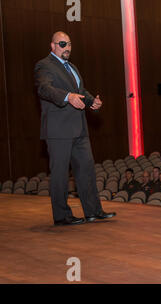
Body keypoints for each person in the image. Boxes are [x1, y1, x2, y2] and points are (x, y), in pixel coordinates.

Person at [34, 31, 115, 225]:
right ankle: (62, 216)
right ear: (52, 46)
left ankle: (94, 211)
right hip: (58, 130)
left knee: (87, 170)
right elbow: (44, 88)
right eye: (62, 44)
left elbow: (80, 92)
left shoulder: (72, 67)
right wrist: (67, 97)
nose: (67, 47)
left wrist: (90, 102)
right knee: (60, 174)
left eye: (69, 44)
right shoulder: (44, 65)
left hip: (79, 129)